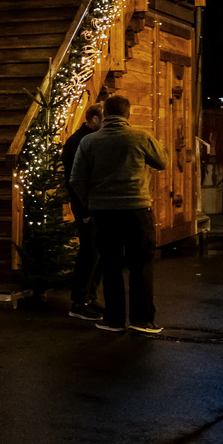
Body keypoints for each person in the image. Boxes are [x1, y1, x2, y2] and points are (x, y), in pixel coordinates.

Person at [70, 94, 167, 336]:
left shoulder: (89, 142)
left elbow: (76, 179)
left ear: (106, 114)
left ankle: (113, 320)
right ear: (128, 113)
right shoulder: (141, 137)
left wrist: (90, 203)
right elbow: (162, 162)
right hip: (137, 209)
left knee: (111, 266)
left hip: (103, 212)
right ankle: (142, 320)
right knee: (141, 264)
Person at [62, 103, 105, 321]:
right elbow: (74, 180)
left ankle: (90, 296)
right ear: (95, 119)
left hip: (94, 203)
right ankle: (79, 302)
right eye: (105, 119)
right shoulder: (77, 142)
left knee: (97, 252)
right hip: (85, 205)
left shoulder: (89, 140)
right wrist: (85, 209)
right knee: (89, 252)